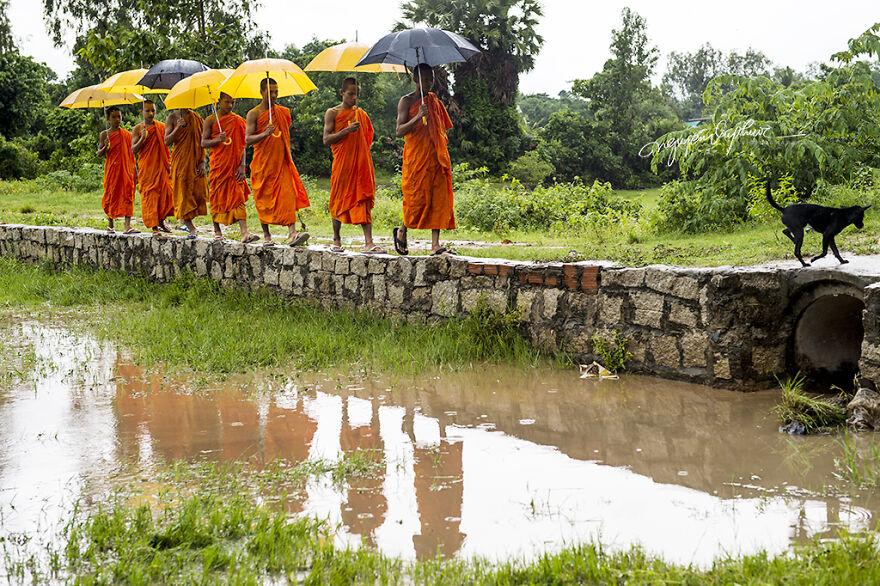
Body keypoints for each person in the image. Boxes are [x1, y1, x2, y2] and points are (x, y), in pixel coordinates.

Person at [393, 63, 456, 256]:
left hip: (435, 156)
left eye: (431, 79)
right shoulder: (406, 101)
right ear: (415, 79)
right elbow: (399, 131)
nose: (429, 83)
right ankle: (402, 230)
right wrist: (418, 116)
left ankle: (435, 245)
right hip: (416, 158)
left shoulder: (434, 101)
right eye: (425, 79)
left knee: (437, 198)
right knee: (416, 199)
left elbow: (441, 128)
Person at [322, 77, 385, 254]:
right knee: (338, 199)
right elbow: (326, 140)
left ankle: (369, 242)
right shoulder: (332, 113)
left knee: (362, 199)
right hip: (342, 163)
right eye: (350, 94)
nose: (354, 98)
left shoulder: (361, 115)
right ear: (342, 93)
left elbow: (368, 139)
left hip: (360, 164)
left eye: (357, 94)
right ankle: (336, 240)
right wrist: (346, 131)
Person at [245, 77, 310, 247]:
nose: (274, 95)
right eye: (270, 92)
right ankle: (267, 236)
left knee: (287, 197)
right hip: (262, 164)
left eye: (276, 92)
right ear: (261, 92)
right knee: (263, 200)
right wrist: (265, 133)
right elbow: (248, 139)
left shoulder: (282, 112)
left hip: (281, 163)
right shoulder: (254, 114)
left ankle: (292, 233)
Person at [201, 92, 258, 243]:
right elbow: (203, 143)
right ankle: (217, 230)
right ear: (219, 101)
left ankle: (244, 233)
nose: (230, 106)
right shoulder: (211, 120)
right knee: (216, 196)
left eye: (233, 102)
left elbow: (243, 144)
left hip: (234, 167)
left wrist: (242, 165)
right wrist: (217, 140)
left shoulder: (238, 120)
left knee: (238, 197)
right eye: (227, 102)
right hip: (218, 166)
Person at [131, 100, 173, 238]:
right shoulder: (138, 129)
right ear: (141, 112)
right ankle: (154, 226)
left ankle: (161, 221)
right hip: (147, 168)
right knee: (150, 196)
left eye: (153, 110)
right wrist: (142, 138)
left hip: (161, 166)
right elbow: (133, 150)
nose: (151, 113)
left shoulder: (161, 127)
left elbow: (166, 146)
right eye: (147, 110)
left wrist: (170, 164)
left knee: (166, 194)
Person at [165, 107, 208, 239]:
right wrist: (178, 127)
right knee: (183, 193)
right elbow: (167, 141)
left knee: (198, 193)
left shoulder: (197, 118)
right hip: (181, 162)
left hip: (196, 161)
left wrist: (203, 161)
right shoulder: (171, 118)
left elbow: (202, 140)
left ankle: (185, 221)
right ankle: (191, 227)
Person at [97, 106, 137, 234]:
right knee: (111, 194)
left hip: (126, 169)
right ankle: (110, 224)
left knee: (128, 194)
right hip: (112, 170)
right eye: (114, 117)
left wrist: (135, 172)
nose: (117, 120)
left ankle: (127, 226)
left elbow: (132, 154)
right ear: (108, 118)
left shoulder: (127, 135)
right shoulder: (104, 134)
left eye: (119, 116)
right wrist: (105, 146)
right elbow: (99, 153)